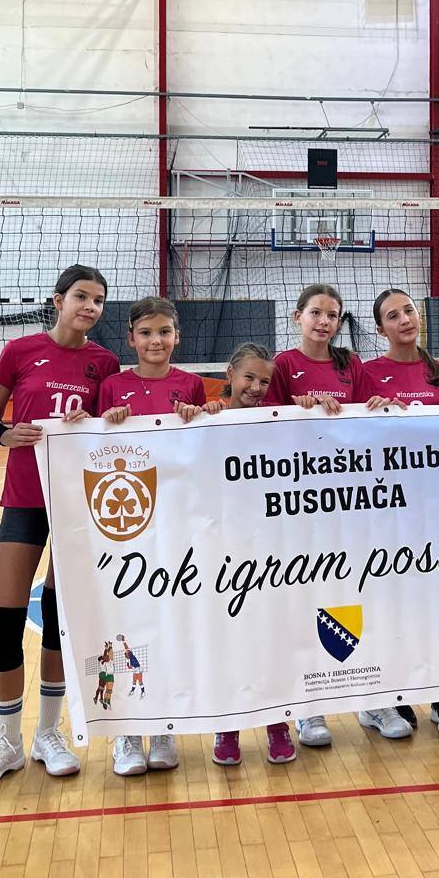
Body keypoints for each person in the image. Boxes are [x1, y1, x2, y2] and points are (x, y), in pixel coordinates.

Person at [0, 265, 119, 793]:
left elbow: (111, 430)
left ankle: (48, 735)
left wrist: (99, 424)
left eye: (98, 300)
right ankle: (7, 741)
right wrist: (5, 435)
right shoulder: (20, 350)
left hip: (76, 503)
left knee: (56, 616)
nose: (89, 307)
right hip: (25, 499)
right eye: (81, 297)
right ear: (58, 301)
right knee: (1, 623)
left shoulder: (104, 363)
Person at [94, 295, 222, 775]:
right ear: (130, 338)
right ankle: (127, 732)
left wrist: (207, 414)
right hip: (127, 525)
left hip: (176, 522)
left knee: (171, 620)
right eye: (146, 333)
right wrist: (104, 423)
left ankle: (166, 725)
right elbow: (88, 445)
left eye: (164, 332)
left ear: (177, 337)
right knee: (125, 623)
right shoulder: (112, 386)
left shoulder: (190, 384)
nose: (156, 341)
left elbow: (207, 445)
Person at [360, 290, 439, 739]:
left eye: (408, 310)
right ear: (380, 328)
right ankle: (393, 693)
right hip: (384, 505)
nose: (404, 319)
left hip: (435, 503)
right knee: (389, 602)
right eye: (392, 315)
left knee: (436, 601)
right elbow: (346, 434)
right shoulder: (366, 373)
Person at [265, 282, 370, 748]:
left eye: (332, 315)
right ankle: (309, 710)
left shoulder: (352, 365)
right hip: (297, 498)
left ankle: (371, 699)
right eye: (316, 313)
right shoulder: (283, 365)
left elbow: (367, 423)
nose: (324, 322)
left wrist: (371, 409)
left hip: (346, 496)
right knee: (304, 600)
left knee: (352, 596)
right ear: (298, 317)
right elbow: (264, 425)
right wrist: (296, 410)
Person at [210, 343, 298, 768]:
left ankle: (277, 723)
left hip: (270, 550)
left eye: (264, 381)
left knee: (271, 636)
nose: (257, 387)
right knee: (229, 639)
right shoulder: (205, 417)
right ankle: (228, 726)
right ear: (230, 374)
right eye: (249, 378)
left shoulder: (278, 420)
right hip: (222, 550)